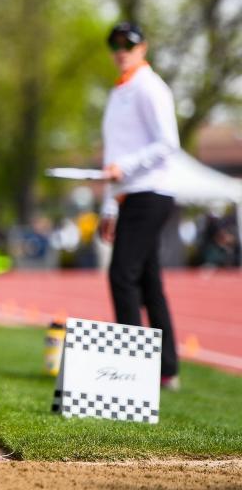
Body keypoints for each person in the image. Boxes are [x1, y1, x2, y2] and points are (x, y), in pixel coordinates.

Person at [98, 22, 181, 390]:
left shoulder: (150, 87)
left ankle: (133, 371)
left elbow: (168, 143)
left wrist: (126, 169)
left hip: (151, 191)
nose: (120, 50)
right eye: (115, 44)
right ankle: (167, 368)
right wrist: (108, 207)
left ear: (143, 47)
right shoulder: (119, 91)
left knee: (121, 275)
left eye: (128, 44)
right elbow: (113, 157)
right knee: (148, 281)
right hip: (128, 195)